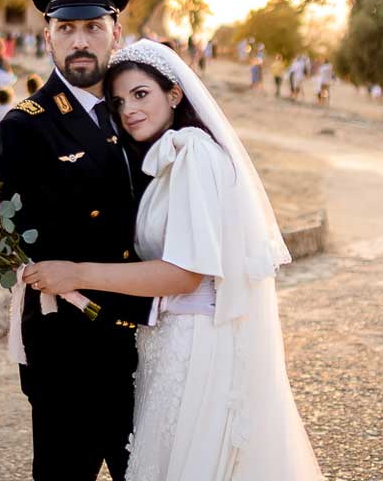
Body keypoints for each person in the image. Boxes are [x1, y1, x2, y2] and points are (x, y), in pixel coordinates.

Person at [23, 40, 322, 479]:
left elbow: (184, 274)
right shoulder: (169, 157)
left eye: (141, 95)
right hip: (168, 342)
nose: (128, 110)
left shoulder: (193, 154)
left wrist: (76, 273)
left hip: (197, 347)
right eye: (119, 101)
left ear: (175, 95)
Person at [0, 0, 156, 481]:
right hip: (71, 347)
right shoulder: (25, 127)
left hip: (153, 335)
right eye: (67, 28)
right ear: (48, 38)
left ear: (117, 32)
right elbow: (37, 241)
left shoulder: (145, 115)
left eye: (92, 26)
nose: (80, 40)